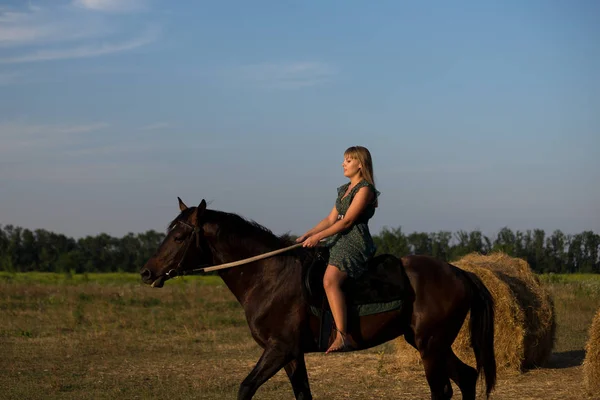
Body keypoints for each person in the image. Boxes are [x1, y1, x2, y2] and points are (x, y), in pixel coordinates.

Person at [296, 145, 380, 354]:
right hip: (337, 239)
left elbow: (347, 221)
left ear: (360, 164)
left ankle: (343, 336)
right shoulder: (344, 189)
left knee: (330, 280)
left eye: (348, 160)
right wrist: (308, 234)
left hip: (354, 242)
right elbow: (331, 219)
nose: (343, 164)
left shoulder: (365, 189)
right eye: (344, 160)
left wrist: (318, 238)